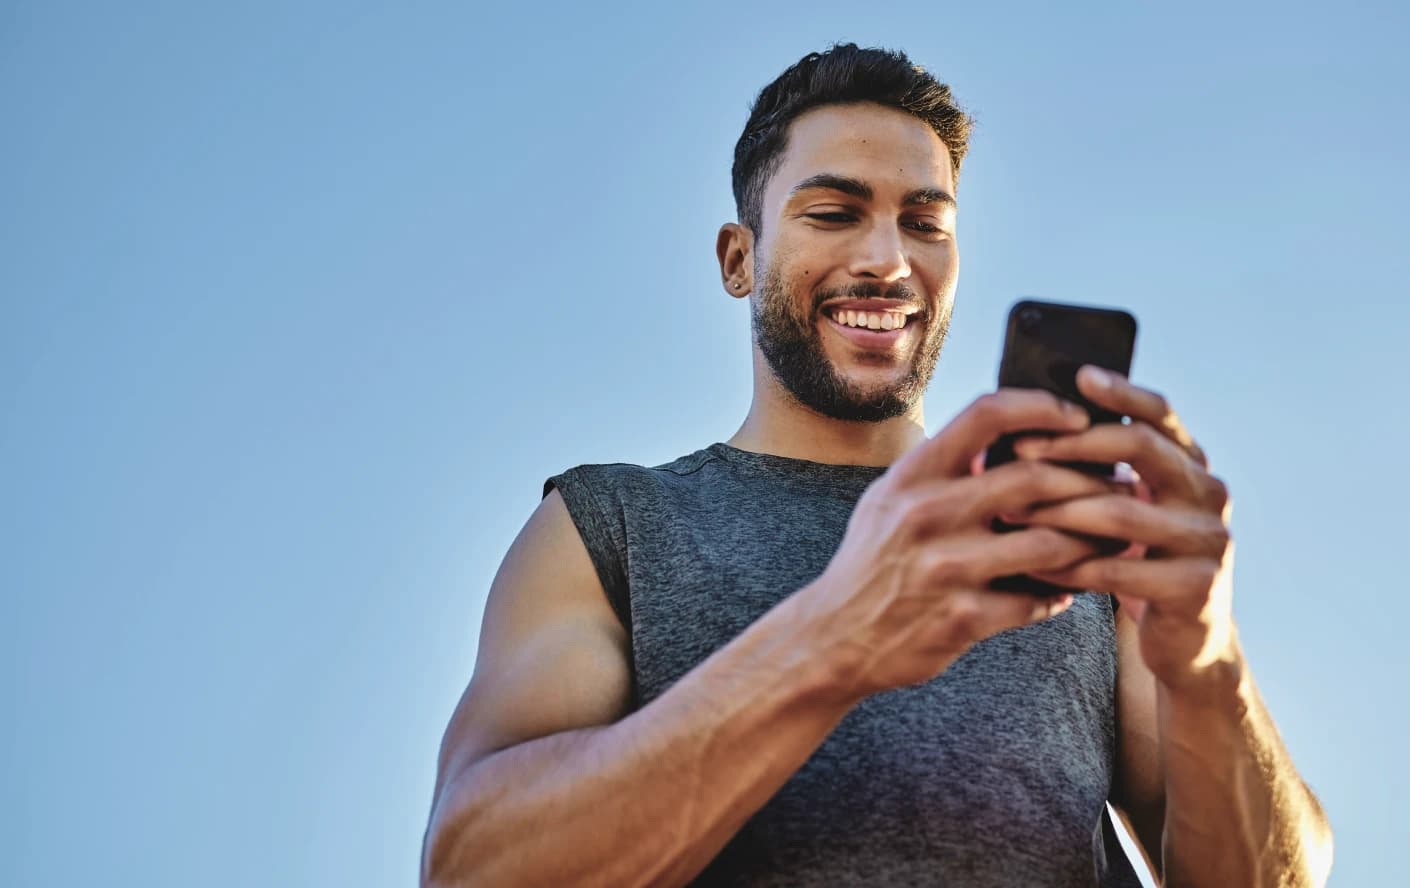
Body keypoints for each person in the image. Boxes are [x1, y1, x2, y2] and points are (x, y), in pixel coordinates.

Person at [420, 43, 1333, 886]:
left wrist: (1208, 663)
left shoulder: (1067, 537)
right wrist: (834, 638)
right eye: (834, 213)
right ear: (739, 259)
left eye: (925, 223)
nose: (888, 261)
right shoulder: (610, 525)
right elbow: (473, 866)